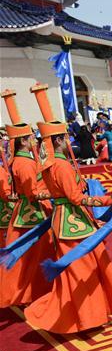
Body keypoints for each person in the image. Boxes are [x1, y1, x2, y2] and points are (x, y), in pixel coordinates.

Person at [22, 83, 112, 334]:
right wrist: (108, 200)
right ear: (58, 140)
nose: (68, 140)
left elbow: (56, 194)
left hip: (63, 219)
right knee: (84, 271)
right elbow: (76, 198)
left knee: (76, 271)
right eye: (64, 138)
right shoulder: (61, 166)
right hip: (74, 222)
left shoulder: (50, 165)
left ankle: (87, 315)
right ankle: (86, 317)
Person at [0, 90, 53, 308]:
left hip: (25, 211)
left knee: (26, 256)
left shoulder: (20, 161)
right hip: (33, 213)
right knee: (35, 254)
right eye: (31, 137)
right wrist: (59, 195)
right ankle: (32, 291)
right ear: (23, 141)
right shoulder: (26, 163)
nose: (34, 140)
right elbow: (33, 193)